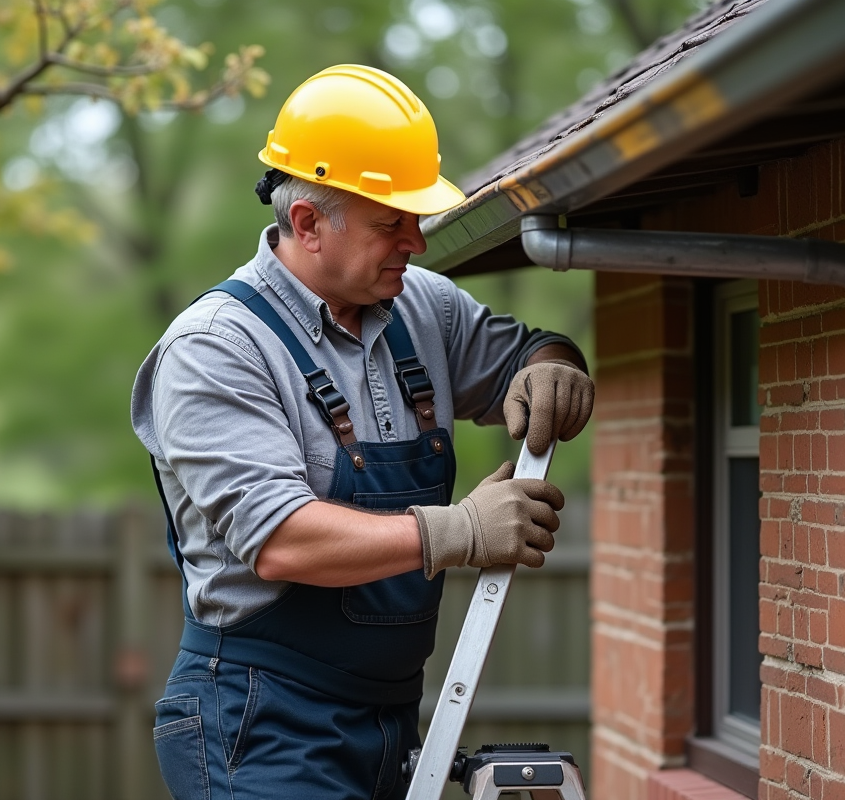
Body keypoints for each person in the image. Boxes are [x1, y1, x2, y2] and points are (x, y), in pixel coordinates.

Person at [130, 64, 594, 800]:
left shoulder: (423, 310)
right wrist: (461, 531)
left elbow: (526, 351)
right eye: (392, 221)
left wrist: (555, 366)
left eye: (416, 217)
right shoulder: (217, 347)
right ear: (309, 223)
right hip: (258, 722)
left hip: (391, 720)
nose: (417, 240)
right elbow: (282, 540)